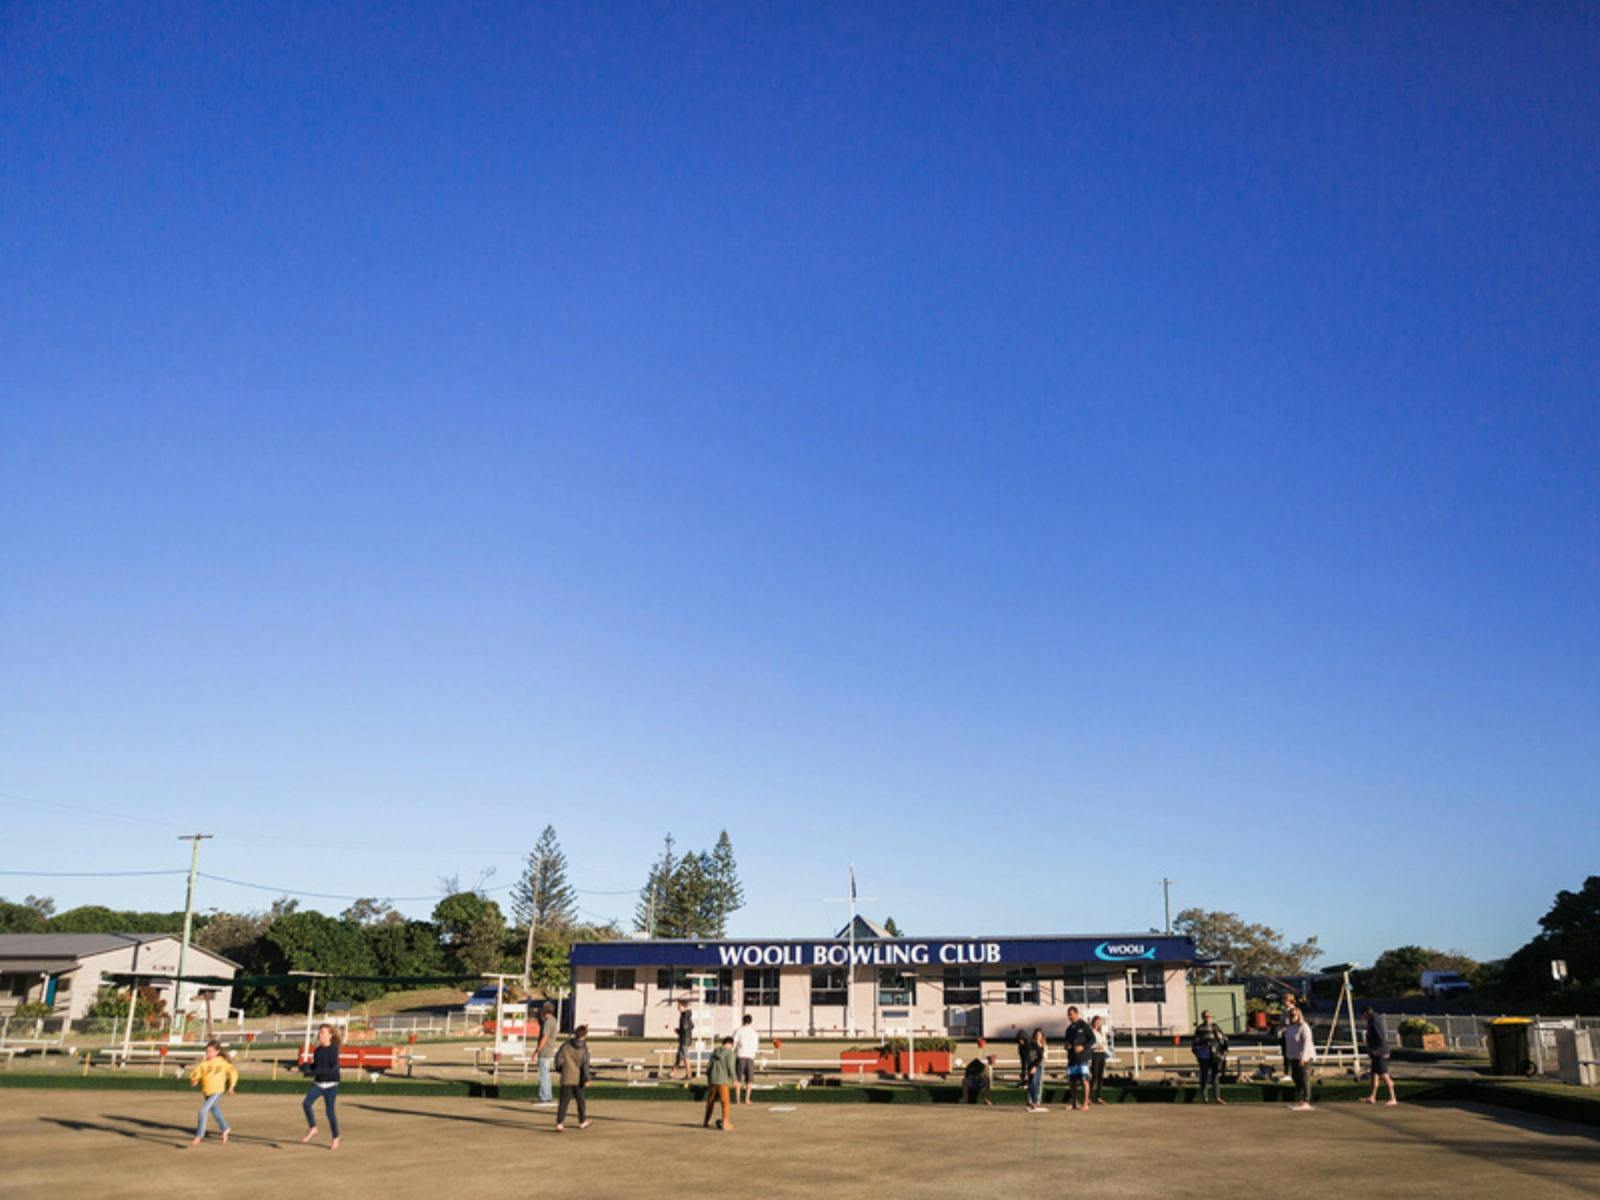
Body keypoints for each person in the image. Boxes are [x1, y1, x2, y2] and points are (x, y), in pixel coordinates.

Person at [186, 1040, 237, 1147]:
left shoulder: (222, 1062)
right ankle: (225, 1128)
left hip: (217, 1091)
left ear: (217, 1052)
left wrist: (231, 1086)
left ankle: (199, 1135)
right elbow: (195, 1075)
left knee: (202, 1111)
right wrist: (194, 1080)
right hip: (206, 1092)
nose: (208, 1053)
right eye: (207, 1051)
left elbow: (233, 1072)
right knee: (215, 1111)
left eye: (211, 1051)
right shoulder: (203, 1064)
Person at [299, 1022, 342, 1150]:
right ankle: (313, 1127)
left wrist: (311, 1072)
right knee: (306, 1104)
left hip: (331, 1085)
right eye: (320, 1033)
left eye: (323, 1033)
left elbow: (328, 1069)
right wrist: (306, 1066)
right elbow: (317, 1067)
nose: (320, 1035)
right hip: (318, 1083)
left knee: (329, 1112)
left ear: (330, 1035)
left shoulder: (333, 1050)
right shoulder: (318, 1050)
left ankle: (336, 1137)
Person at [554, 1024, 593, 1131]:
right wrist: (587, 1079)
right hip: (578, 1079)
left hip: (566, 1075)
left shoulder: (566, 1044)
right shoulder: (584, 1048)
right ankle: (582, 1121)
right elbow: (585, 1065)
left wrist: (559, 1069)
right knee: (580, 1101)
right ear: (585, 1035)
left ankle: (560, 1123)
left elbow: (558, 1057)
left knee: (563, 1102)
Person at [1361, 1007, 1398, 1106]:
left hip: (1380, 1053)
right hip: (1375, 1053)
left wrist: (1376, 1050)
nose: (1363, 1018)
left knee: (1384, 1074)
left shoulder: (1376, 1022)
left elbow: (1381, 1038)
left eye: (1363, 1015)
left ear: (1366, 1013)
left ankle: (1393, 1098)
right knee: (1374, 1074)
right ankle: (1372, 1096)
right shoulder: (1371, 1021)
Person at [1282, 1007, 1317, 1111]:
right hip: (1294, 1057)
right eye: (1290, 1015)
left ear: (1299, 1015)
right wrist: (1288, 1056)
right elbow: (1289, 1043)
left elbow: (1307, 1043)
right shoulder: (1290, 1028)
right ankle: (1300, 1101)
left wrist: (1304, 1057)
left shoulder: (1304, 1027)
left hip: (1305, 1057)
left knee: (1304, 1078)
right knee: (1295, 1077)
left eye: (1294, 1015)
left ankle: (1307, 1101)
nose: (1292, 1017)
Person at [1192, 1009, 1229, 1104]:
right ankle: (1205, 1098)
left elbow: (1224, 1039)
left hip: (1215, 1055)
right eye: (1206, 1017)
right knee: (1204, 1076)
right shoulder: (1200, 1029)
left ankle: (1217, 1097)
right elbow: (1195, 1043)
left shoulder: (1215, 1027)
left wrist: (1222, 1039)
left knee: (1215, 1076)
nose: (1208, 1018)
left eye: (1209, 1016)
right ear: (1203, 1018)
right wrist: (1199, 1053)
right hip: (1204, 1055)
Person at [1062, 1006, 1093, 1111]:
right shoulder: (1068, 1029)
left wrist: (1082, 1047)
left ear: (1076, 1013)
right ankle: (1074, 1102)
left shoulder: (1083, 1025)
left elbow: (1092, 1039)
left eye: (1071, 1014)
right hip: (1072, 1059)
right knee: (1072, 1081)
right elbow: (1067, 1042)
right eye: (1068, 1014)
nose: (1069, 1016)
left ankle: (1086, 1103)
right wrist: (1067, 1046)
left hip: (1083, 1058)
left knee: (1084, 1080)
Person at [703, 1035, 737, 1131]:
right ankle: (725, 1123)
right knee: (725, 1102)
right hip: (723, 1080)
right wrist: (734, 1079)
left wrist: (709, 1077)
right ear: (730, 1044)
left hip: (713, 1080)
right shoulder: (729, 1053)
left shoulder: (714, 1052)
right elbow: (730, 1067)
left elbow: (708, 1066)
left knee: (710, 1101)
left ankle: (706, 1121)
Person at [733, 1013, 759, 1105]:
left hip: (740, 1056)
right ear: (751, 1021)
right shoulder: (754, 1033)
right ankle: (747, 1099)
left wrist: (733, 1053)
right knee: (749, 1080)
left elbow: (734, 1043)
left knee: (738, 1079)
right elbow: (756, 1046)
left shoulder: (738, 1031)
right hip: (750, 1057)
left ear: (743, 1021)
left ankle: (738, 1099)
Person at [535, 1003, 558, 1107]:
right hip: (549, 1051)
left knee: (543, 1075)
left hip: (544, 1051)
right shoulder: (553, 1020)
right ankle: (548, 1096)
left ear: (545, 1011)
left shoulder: (548, 1022)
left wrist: (537, 1050)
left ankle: (544, 1097)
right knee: (546, 1075)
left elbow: (544, 1037)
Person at [1088, 1015, 1111, 1105]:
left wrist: (1105, 1048)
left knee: (1100, 1076)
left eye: (1099, 1022)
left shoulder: (1101, 1032)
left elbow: (1105, 1043)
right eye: (1097, 1022)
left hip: (1102, 1054)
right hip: (1095, 1054)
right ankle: (1088, 1097)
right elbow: (1089, 1044)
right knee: (1094, 1075)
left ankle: (1099, 1097)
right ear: (1093, 1022)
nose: (1098, 1024)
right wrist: (1096, 1046)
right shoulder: (1091, 1032)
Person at [1025, 1028, 1048, 1113]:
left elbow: (1041, 1057)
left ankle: (1036, 1101)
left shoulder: (1043, 1044)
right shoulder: (1032, 1044)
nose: (1038, 1036)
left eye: (1040, 1035)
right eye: (1037, 1034)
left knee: (1037, 1083)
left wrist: (1036, 1066)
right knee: (1032, 1083)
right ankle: (1033, 1101)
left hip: (1039, 1065)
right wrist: (1033, 1067)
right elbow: (1032, 1056)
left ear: (1042, 1036)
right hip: (1033, 1065)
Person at [675, 999, 694, 1080]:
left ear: (683, 1006)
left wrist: (678, 1031)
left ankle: (689, 1074)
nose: (678, 1007)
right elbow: (692, 1026)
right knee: (679, 1056)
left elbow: (685, 1027)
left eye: (679, 1006)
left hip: (684, 1040)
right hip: (685, 1039)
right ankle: (673, 1072)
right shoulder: (686, 1015)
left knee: (685, 1057)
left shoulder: (684, 1016)